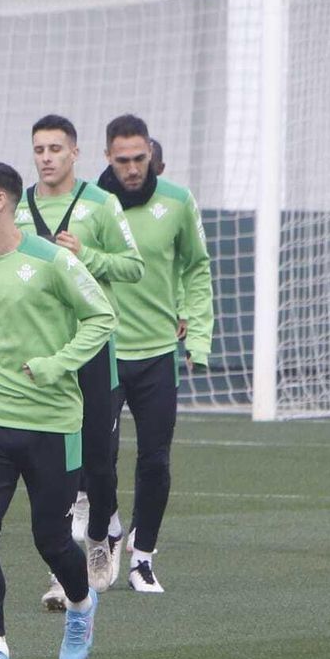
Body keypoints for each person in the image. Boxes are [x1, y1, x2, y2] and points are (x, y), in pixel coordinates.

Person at [0, 162, 114, 659]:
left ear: (0, 202)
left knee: (51, 540)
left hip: (54, 424)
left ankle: (81, 607)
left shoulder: (51, 260)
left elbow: (101, 317)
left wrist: (57, 363)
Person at [18, 114, 143, 609]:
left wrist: (86, 254)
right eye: (39, 149)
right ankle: (59, 572)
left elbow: (133, 266)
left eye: (55, 149)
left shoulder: (101, 203)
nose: (46, 157)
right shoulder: (20, 209)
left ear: (75, 153)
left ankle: (99, 540)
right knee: (54, 470)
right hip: (45, 354)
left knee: (99, 462)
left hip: (92, 350)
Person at [94, 114, 213, 592]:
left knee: (156, 459)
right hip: (102, 351)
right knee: (97, 460)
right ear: (108, 158)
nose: (132, 168)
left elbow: (197, 268)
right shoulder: (93, 205)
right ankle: (112, 524)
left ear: (151, 154)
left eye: (139, 158)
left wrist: (197, 336)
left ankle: (143, 557)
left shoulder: (178, 202)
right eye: (122, 160)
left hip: (159, 352)